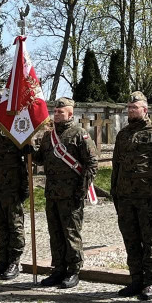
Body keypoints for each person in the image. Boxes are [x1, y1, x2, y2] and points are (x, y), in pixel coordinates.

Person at [111, 92, 152, 301]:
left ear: (145, 110)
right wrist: (115, 193)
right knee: (131, 240)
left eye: (134, 108)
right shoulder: (123, 134)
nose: (131, 111)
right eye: (129, 108)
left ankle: (150, 282)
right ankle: (136, 280)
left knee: (149, 241)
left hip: (147, 198)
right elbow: (116, 166)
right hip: (125, 198)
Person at [32, 97, 98, 288]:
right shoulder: (49, 136)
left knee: (71, 233)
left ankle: (73, 270)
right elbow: (41, 159)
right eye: (55, 111)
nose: (57, 114)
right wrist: (29, 150)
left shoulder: (79, 134)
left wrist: (82, 190)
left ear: (70, 113)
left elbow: (91, 163)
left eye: (61, 112)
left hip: (71, 194)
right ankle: (58, 269)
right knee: (55, 233)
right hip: (52, 193)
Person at [0, 100, 31, 280]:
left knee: (14, 224)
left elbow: (24, 159)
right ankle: (3, 260)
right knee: (1, 225)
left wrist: (25, 186)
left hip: (12, 185)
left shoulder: (18, 125)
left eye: (1, 101)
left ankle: (14, 261)